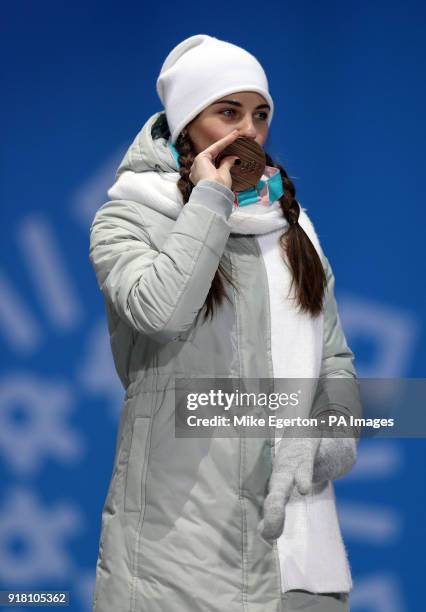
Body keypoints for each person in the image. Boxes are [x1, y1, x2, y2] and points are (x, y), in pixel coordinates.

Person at [89, 34, 362, 612]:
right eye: (227, 112)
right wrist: (210, 203)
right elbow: (158, 313)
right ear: (188, 122)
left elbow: (334, 362)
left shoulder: (291, 227)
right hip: (176, 558)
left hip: (297, 553)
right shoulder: (129, 216)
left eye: (260, 115)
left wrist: (326, 437)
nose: (249, 132)